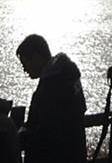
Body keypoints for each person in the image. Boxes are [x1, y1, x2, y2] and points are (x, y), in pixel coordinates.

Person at [16, 34, 87, 163]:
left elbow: (47, 135)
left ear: (36, 58)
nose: (24, 70)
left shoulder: (52, 87)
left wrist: (19, 136)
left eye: (25, 63)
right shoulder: (67, 78)